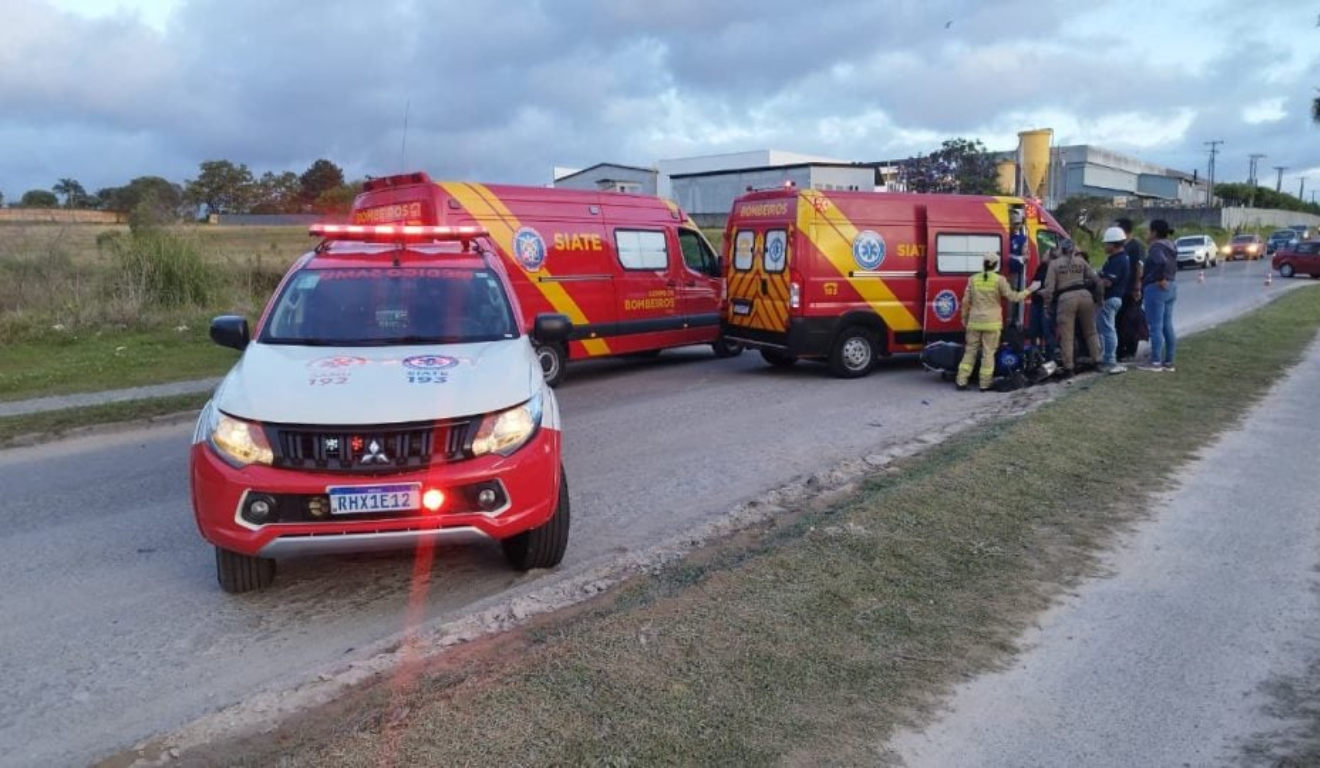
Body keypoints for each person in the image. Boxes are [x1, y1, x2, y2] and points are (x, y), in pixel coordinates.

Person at [956, 252, 1039, 391]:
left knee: (970, 351)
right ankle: (984, 384)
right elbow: (1013, 297)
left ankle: (961, 380)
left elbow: (965, 302)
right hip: (992, 323)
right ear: (995, 265)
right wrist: (1030, 289)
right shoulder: (999, 280)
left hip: (974, 321)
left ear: (983, 264)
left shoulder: (973, 279)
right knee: (988, 353)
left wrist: (964, 318)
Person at [1041, 238, 1102, 378]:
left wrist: (1047, 305)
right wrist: (1099, 299)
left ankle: (1069, 368)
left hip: (1066, 299)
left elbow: (1049, 288)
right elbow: (1097, 281)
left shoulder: (1054, 264)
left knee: (1067, 336)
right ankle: (1097, 361)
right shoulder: (1081, 262)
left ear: (1061, 249)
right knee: (1091, 332)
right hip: (1085, 297)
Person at [1139, 219, 1178, 372]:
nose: (1147, 234)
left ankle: (1155, 361)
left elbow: (1161, 262)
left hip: (1156, 288)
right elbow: (1172, 263)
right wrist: (1168, 278)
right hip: (1171, 286)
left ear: (1154, 232)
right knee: (1167, 325)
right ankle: (1169, 361)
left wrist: (1161, 277)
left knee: (1155, 326)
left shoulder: (1155, 247)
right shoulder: (1171, 245)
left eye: (1149, 231)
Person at [1096, 227, 1130, 374]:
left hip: (1110, 298)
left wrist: (1097, 280)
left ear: (1114, 244)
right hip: (1114, 298)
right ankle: (1107, 358)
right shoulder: (1118, 259)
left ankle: (1110, 361)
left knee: (1108, 330)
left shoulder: (1118, 260)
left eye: (1106, 244)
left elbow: (1108, 282)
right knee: (1107, 329)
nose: (1104, 246)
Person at [1114, 217, 1145, 362]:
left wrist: (1137, 287)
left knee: (1131, 321)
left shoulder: (1135, 246)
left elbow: (1139, 266)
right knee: (1119, 322)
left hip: (1131, 290)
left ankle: (1130, 351)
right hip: (1121, 290)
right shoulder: (1121, 246)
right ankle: (1120, 351)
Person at [1029, 245, 1057, 361]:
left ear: (1051, 257)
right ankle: (1035, 355)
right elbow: (1035, 281)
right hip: (1036, 302)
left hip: (1046, 303)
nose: (1043, 255)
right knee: (1034, 330)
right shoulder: (1041, 267)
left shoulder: (1053, 269)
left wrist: (1042, 292)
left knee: (1047, 330)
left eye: (1046, 253)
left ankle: (1050, 357)